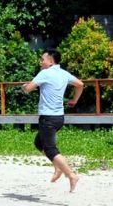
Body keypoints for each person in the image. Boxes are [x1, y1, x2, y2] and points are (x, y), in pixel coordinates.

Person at [22, 49, 84, 192]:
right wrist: (74, 100)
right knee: (39, 142)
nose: (41, 62)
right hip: (59, 118)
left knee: (50, 149)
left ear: (51, 61)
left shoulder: (45, 73)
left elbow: (29, 89)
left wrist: (24, 86)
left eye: (43, 59)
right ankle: (58, 167)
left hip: (48, 118)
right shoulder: (64, 73)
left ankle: (71, 175)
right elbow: (80, 84)